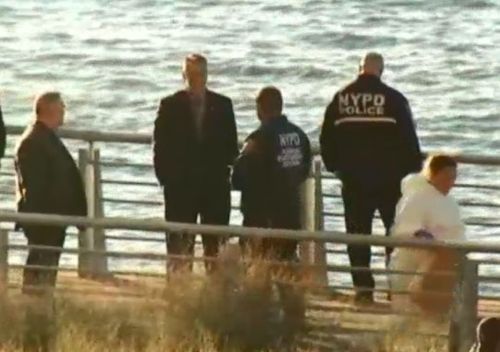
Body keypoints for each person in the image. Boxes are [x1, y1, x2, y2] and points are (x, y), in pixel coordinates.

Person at [319, 52, 422, 303]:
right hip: (390, 182)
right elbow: (410, 141)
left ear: (359, 68)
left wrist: (337, 169)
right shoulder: (394, 99)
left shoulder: (341, 98)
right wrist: (411, 171)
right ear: (381, 70)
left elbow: (325, 141)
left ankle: (363, 291)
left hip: (354, 182)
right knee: (394, 236)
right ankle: (394, 289)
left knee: (357, 237)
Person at [232, 86, 311, 335]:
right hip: (290, 212)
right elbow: (304, 169)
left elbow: (239, 179)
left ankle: (261, 318)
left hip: (262, 214)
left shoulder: (258, 139)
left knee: (259, 268)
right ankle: (295, 317)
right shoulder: (299, 136)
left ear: (260, 109)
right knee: (288, 264)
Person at [153, 54, 238, 274]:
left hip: (215, 188)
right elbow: (159, 146)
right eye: (190, 74)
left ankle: (216, 297)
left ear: (207, 75)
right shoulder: (170, 105)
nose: (194, 79)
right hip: (180, 188)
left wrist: (224, 175)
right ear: (183, 75)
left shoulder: (223, 105)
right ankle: (179, 298)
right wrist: (167, 181)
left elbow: (231, 147)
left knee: (216, 248)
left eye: (199, 73)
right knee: (179, 248)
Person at [15, 91, 87, 294]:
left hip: (52, 219)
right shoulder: (34, 141)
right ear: (51, 109)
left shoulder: (44, 136)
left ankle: (40, 306)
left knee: (46, 268)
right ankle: (34, 310)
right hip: (44, 220)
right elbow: (36, 186)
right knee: (40, 267)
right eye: (62, 107)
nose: (64, 111)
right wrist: (50, 216)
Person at [389, 155, 465, 315]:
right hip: (421, 259)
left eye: (453, 177)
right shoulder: (416, 198)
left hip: (448, 257)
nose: (450, 182)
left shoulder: (449, 202)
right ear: (433, 174)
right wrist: (434, 243)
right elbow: (406, 229)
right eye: (445, 177)